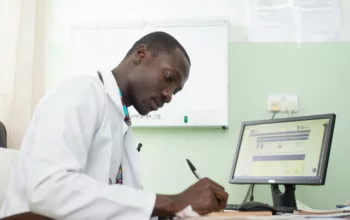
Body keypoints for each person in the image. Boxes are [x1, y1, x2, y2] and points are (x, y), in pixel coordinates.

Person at [0, 31, 228, 219]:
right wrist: (172, 202)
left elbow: (120, 207)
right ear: (141, 54)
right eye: (169, 77)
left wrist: (179, 210)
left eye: (176, 92)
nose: (169, 96)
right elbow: (47, 190)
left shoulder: (121, 124)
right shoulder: (81, 92)